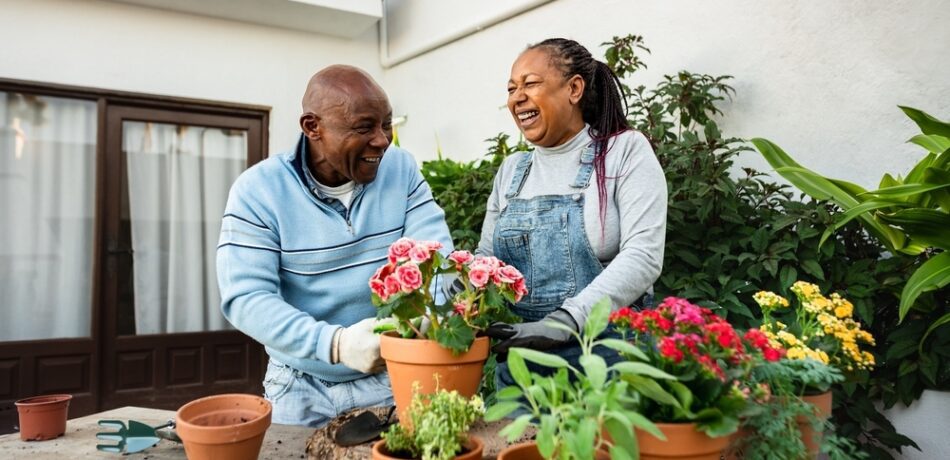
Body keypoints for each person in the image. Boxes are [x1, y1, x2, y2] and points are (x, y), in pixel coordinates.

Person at [216, 65, 453, 427]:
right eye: (364, 127)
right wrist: (336, 344)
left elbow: (437, 261)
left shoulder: (401, 170)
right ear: (313, 127)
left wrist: (419, 322)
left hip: (391, 374)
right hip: (299, 385)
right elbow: (246, 298)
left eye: (386, 124)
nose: (382, 140)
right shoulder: (258, 191)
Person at [480, 38, 667, 372]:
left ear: (575, 88)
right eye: (511, 89)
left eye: (530, 84)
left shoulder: (623, 152)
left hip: (609, 357)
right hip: (523, 362)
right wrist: (448, 292)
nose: (517, 97)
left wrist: (567, 320)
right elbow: (486, 263)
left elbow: (644, 257)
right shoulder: (511, 171)